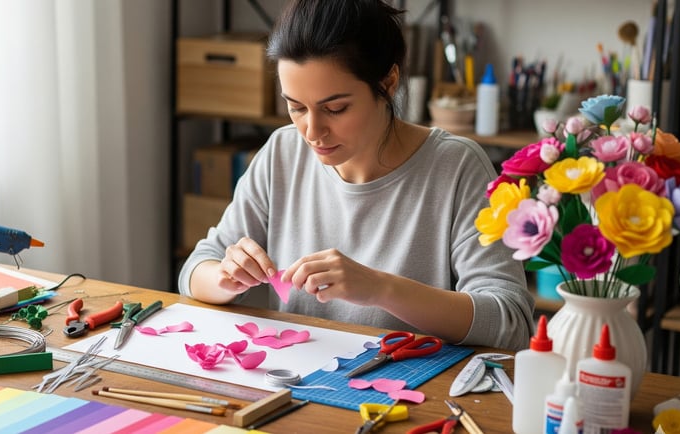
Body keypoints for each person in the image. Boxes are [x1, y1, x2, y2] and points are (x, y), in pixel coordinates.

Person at [177, 0, 535, 350]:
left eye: (335, 108)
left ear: (389, 83)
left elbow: (510, 321)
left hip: (408, 396)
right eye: (296, 107)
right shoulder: (282, 153)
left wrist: (380, 288)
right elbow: (194, 270)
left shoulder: (456, 167)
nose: (312, 131)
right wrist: (225, 278)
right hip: (295, 386)